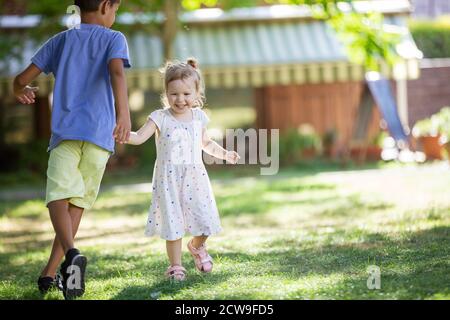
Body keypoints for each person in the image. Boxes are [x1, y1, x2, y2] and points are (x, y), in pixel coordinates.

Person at [12, 0, 131, 299]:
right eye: (115, 9)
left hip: (65, 134)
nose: (114, 16)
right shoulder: (114, 38)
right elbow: (117, 73)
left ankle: (70, 256)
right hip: (100, 136)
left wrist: (18, 89)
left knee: (57, 196)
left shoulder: (61, 41)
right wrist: (124, 116)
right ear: (106, 6)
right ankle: (51, 272)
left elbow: (22, 79)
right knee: (76, 203)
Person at [127, 58, 240, 281]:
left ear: (197, 94)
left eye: (186, 94)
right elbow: (139, 137)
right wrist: (120, 134)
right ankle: (176, 266)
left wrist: (225, 154)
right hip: (168, 180)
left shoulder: (198, 117)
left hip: (195, 178)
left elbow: (206, 143)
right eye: (174, 94)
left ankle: (197, 246)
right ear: (166, 93)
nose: (180, 99)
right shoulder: (160, 117)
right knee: (174, 224)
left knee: (205, 221)